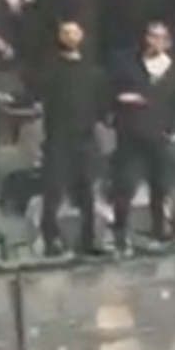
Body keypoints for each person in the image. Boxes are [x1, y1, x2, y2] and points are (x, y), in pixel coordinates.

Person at [109, 22, 175, 252]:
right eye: (152, 36)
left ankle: (159, 230)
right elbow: (113, 91)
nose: (155, 41)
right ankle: (120, 232)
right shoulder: (129, 64)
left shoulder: (174, 70)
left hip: (159, 134)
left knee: (160, 186)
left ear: (168, 42)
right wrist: (122, 100)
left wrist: (173, 127)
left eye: (161, 37)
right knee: (125, 185)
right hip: (131, 133)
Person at [36, 20, 108, 257]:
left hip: (85, 137)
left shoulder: (91, 70)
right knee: (53, 192)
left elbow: (99, 102)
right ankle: (51, 240)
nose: (70, 36)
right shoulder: (50, 67)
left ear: (82, 36)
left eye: (74, 32)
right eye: (65, 32)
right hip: (58, 138)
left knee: (88, 192)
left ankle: (90, 240)